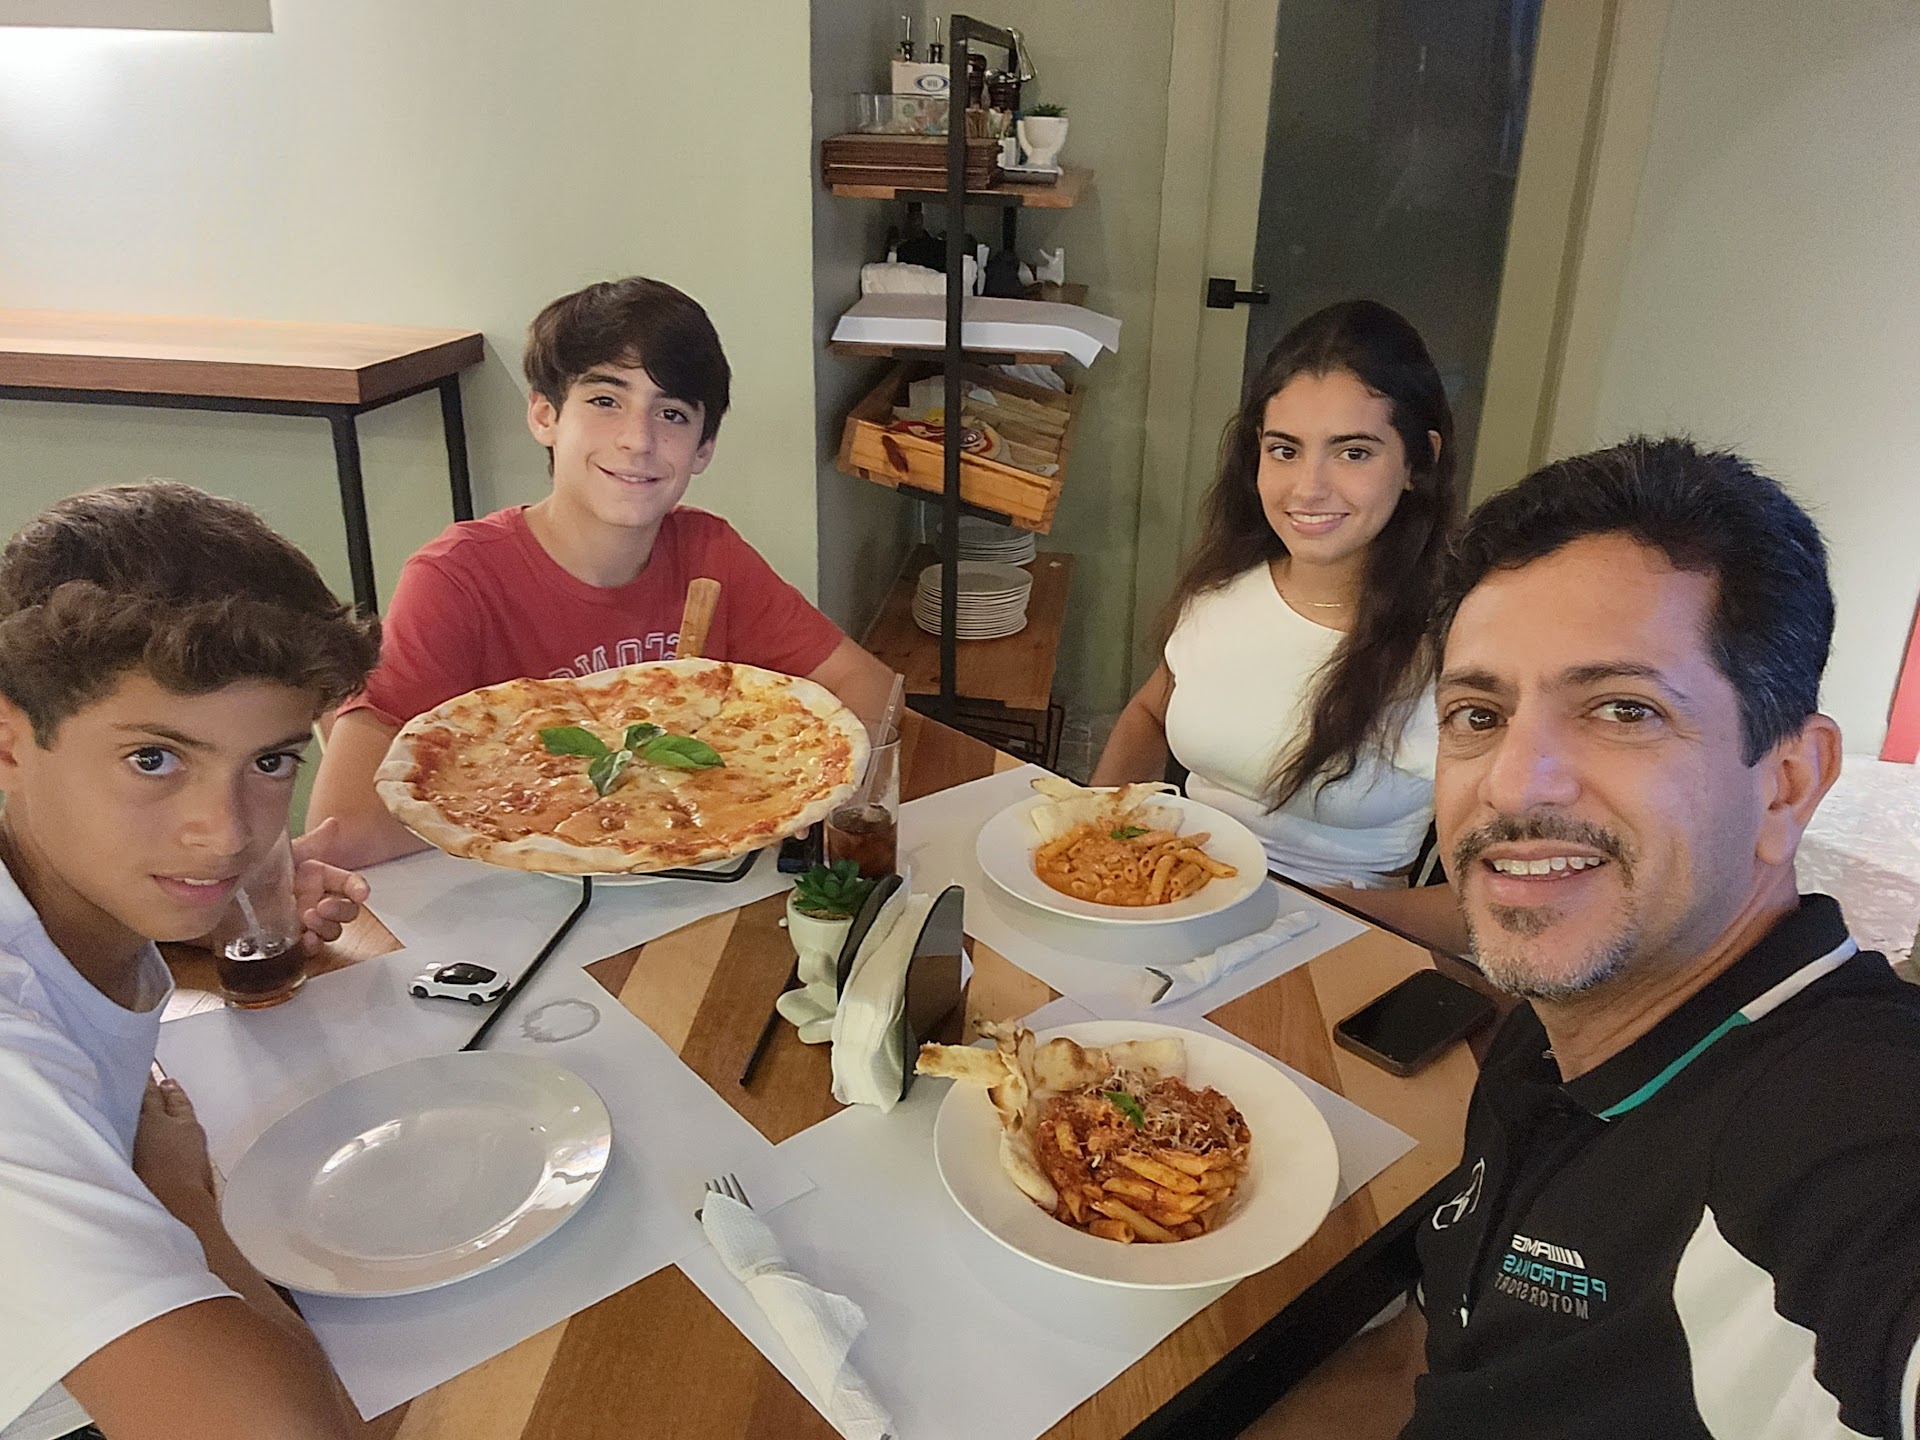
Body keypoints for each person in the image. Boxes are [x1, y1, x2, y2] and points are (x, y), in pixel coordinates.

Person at [1391, 436, 1920, 1436]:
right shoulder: (1549, 1025)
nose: (1512, 781)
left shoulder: (1836, 1123)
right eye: (1478, 714)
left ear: (1788, 784)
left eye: (1623, 709)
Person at [0, 482, 381, 1440]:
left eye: (269, 763)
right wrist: (179, 1200)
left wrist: (191, 916)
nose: (227, 833)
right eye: (155, 760)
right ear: (10, 743)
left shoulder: (74, 882)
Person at [309, 276, 896, 867]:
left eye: (671, 414)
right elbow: (342, 828)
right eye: (605, 401)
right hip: (513, 900)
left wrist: (789, 789)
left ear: (703, 449)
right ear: (545, 415)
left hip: (699, 885)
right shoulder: (456, 579)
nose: (638, 440)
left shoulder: (709, 556)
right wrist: (545, 804)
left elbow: (872, 687)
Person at [1092, 300, 1463, 932]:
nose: (1307, 488)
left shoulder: (1458, 648)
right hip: (1174, 905)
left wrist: (1277, 909)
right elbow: (1149, 714)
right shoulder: (1223, 587)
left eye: (1353, 453)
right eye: (1285, 450)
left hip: (1342, 940)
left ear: (1418, 463)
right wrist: (1097, 833)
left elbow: (1479, 911)